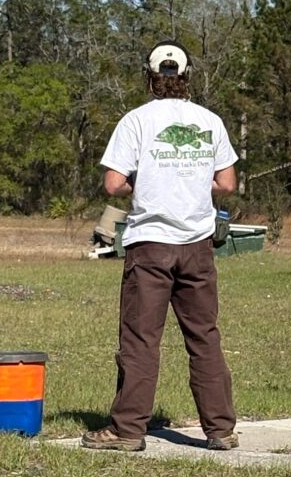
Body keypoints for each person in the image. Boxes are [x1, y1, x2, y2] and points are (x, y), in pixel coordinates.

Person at [82, 39, 239, 452]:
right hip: (197, 245)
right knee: (204, 335)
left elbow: (114, 183)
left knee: (140, 338)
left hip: (150, 245)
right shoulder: (210, 121)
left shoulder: (135, 121)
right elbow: (227, 183)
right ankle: (220, 429)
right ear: (186, 77)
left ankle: (127, 429)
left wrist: (147, 183)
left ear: (151, 78)